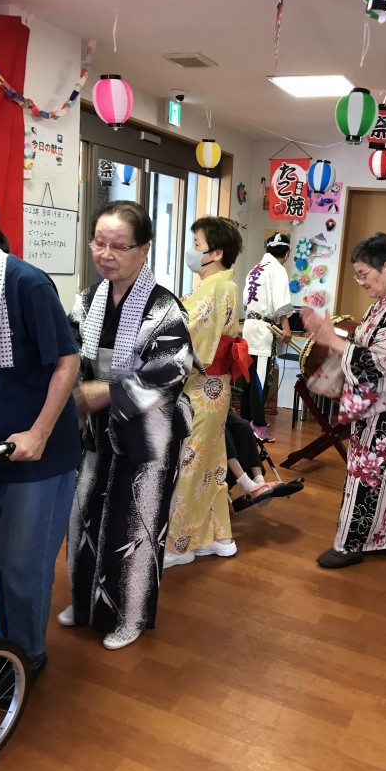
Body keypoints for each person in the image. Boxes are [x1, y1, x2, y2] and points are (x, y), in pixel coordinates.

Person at [59, 201, 196, 650]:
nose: (106, 254)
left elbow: (173, 369)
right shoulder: (88, 299)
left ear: (144, 249)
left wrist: (108, 391)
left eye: (119, 246)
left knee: (134, 523)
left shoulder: (165, 307)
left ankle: (130, 615)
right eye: (99, 242)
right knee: (85, 515)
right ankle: (84, 603)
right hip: (97, 431)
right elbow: (71, 354)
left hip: (149, 435)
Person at [0, 172, 81, 678]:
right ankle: (3, 648)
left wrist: (39, 432)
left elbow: (67, 361)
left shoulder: (26, 283)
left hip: (38, 454)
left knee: (23, 565)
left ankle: (27, 656)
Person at [302, 232, 386, 569]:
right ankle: (384, 540)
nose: (361, 282)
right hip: (374, 401)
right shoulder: (382, 307)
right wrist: (329, 336)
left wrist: (333, 340)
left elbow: (378, 363)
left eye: (364, 274)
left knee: (366, 473)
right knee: (373, 471)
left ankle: (350, 544)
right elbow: (359, 346)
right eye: (358, 275)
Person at [165, 216, 244, 568]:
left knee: (191, 463)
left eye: (196, 245)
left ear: (216, 253)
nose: (192, 250)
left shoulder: (216, 288)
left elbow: (189, 335)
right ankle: (217, 537)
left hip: (201, 386)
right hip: (211, 386)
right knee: (209, 463)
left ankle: (180, 544)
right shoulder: (219, 285)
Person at [240, 232, 294, 442]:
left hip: (249, 325)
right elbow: (280, 302)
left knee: (248, 376)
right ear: (286, 253)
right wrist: (286, 327)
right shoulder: (277, 269)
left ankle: (246, 418)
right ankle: (258, 423)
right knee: (259, 377)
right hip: (262, 328)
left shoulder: (255, 269)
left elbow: (246, 301)